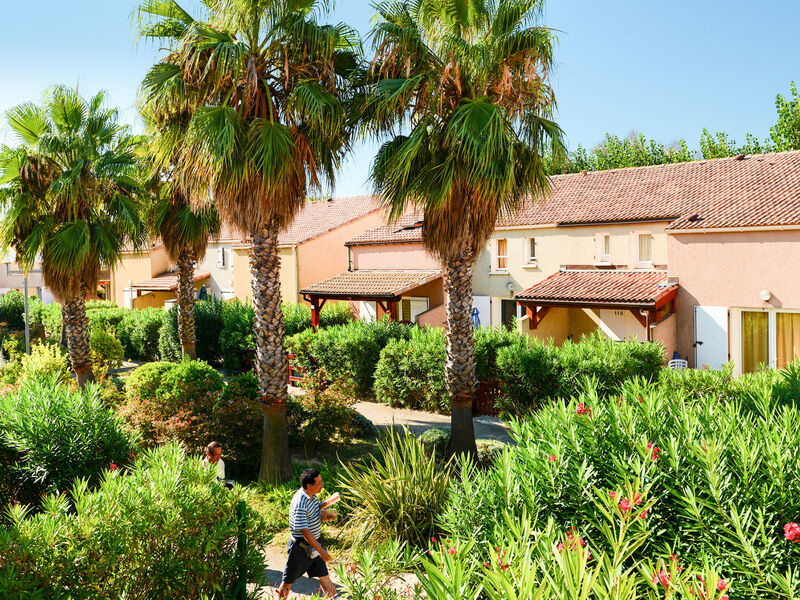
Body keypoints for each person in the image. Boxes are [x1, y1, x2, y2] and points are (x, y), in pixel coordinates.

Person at [278, 469, 340, 599]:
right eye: (319, 483)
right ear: (309, 485)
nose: (322, 485)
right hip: (300, 548)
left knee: (325, 577)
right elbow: (304, 531)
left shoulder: (312, 494)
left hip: (314, 545)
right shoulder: (300, 502)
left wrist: (326, 505)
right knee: (287, 582)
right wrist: (321, 550)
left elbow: (311, 511)